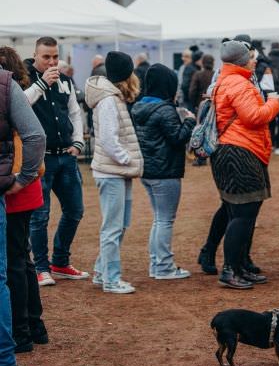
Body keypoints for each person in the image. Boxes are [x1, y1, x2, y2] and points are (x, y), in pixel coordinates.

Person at [211, 40, 279, 289]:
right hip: (240, 151)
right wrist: (274, 103)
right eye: (251, 57)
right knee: (242, 215)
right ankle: (231, 269)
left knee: (241, 213)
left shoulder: (228, 80)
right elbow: (253, 117)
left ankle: (239, 266)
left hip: (237, 149)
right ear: (241, 60)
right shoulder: (238, 83)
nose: (255, 61)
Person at [25, 37, 88, 286]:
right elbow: (21, 102)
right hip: (40, 159)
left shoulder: (66, 80)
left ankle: (60, 261)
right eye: (46, 57)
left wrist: (78, 142)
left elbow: (74, 112)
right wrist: (41, 84)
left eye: (54, 56)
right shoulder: (25, 79)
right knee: (40, 216)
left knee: (75, 210)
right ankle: (41, 267)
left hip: (66, 157)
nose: (52, 62)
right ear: (35, 56)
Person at [0, 47, 48, 355]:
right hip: (26, 184)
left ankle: (22, 332)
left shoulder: (15, 97)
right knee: (23, 258)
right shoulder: (21, 94)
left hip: (16, 186)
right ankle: (34, 325)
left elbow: (33, 138)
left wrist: (20, 179)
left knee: (15, 262)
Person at [85, 52, 143, 294]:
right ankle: (111, 278)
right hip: (112, 172)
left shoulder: (113, 97)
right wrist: (127, 159)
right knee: (112, 227)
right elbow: (109, 140)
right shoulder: (109, 100)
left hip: (117, 172)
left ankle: (102, 271)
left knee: (120, 225)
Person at [132, 64, 196, 280]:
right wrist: (189, 121)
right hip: (165, 171)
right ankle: (163, 266)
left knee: (160, 219)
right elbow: (177, 137)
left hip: (149, 171)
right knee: (165, 220)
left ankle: (157, 263)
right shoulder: (165, 110)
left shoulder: (140, 107)